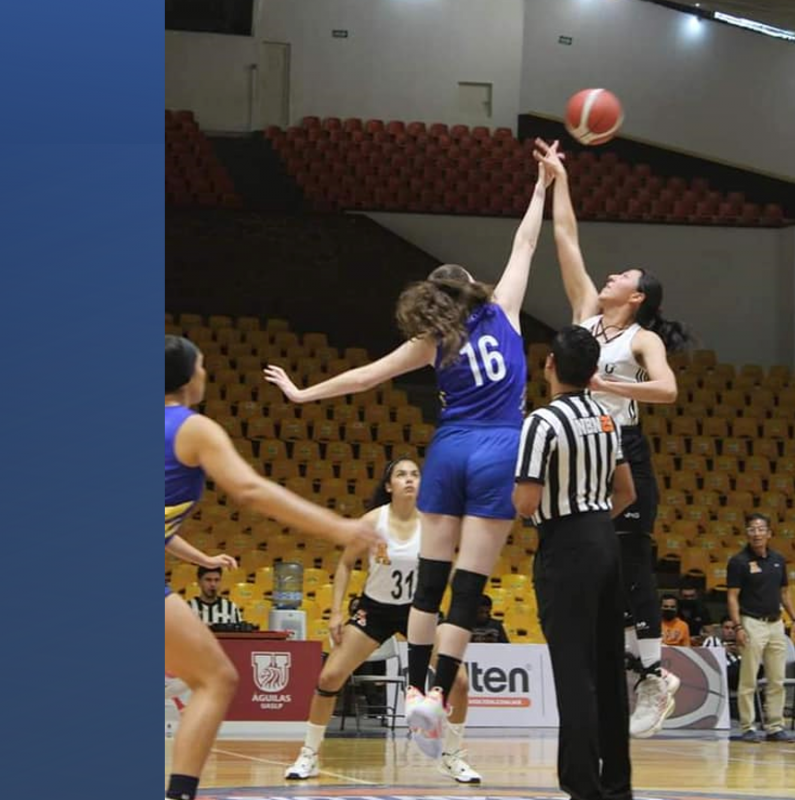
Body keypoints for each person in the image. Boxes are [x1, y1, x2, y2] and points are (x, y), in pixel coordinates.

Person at [264, 145, 556, 758]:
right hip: (503, 444)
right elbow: (526, 243)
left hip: (448, 448)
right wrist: (543, 184)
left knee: (429, 581)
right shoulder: (503, 308)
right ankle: (437, 695)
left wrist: (300, 393)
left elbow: (363, 377)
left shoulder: (431, 341)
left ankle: (419, 687)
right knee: (467, 590)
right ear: (472, 290)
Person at [164, 335, 378, 800]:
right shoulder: (192, 428)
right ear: (184, 378)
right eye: (201, 366)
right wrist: (338, 527)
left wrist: (201, 559)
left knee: (214, 678)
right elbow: (250, 491)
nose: (205, 373)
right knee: (216, 680)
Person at [534, 139, 693, 738]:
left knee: (631, 565)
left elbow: (669, 392)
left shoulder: (640, 340)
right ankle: (639, 669)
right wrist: (559, 179)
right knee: (592, 570)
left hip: (622, 448)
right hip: (579, 452)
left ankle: (652, 676)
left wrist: (606, 382)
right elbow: (566, 239)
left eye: (622, 275)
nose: (609, 273)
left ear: (638, 297)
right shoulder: (583, 313)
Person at [286, 458, 481, 783]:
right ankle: (309, 754)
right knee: (330, 676)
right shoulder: (373, 521)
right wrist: (336, 611)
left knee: (459, 682)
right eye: (401, 474)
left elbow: (453, 569)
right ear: (389, 485)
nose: (409, 479)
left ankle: (452, 756)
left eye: (415, 474)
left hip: (420, 610)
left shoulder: (434, 523)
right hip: (375, 610)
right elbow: (346, 564)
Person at [513, 324, 637, 800]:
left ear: (549, 366)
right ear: (592, 371)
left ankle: (582, 786)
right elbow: (626, 492)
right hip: (605, 540)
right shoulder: (608, 416)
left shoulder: (540, 423)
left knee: (573, 671)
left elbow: (525, 503)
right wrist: (592, 522)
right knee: (608, 669)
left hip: (564, 545)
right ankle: (617, 784)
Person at [725, 513, 795, 743]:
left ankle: (775, 727)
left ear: (769, 533)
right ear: (747, 533)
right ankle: (748, 726)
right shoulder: (738, 561)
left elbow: (785, 593)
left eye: (761, 529)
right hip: (751, 622)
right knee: (748, 678)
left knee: (777, 678)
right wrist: (738, 625)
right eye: (752, 529)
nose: (756, 533)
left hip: (776, 623)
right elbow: (732, 597)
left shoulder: (778, 559)